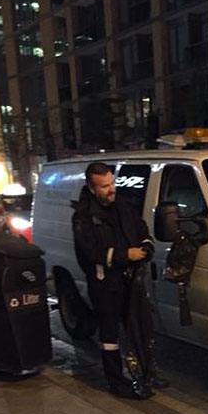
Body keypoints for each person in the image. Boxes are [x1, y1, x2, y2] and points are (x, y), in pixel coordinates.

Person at [72, 162, 169, 398]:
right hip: (105, 284)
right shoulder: (84, 217)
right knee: (110, 337)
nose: (111, 189)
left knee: (139, 328)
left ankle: (146, 373)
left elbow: (141, 229)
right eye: (104, 186)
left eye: (112, 182)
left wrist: (146, 246)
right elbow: (89, 252)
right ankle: (116, 382)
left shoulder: (122, 206)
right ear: (92, 188)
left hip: (130, 279)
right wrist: (126, 255)